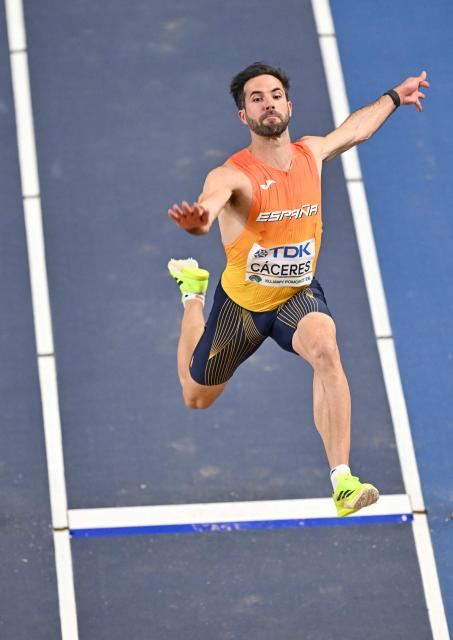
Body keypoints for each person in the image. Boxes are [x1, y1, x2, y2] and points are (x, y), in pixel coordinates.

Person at [167, 62, 429, 517]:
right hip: (241, 308)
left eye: (274, 95)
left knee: (326, 349)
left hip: (296, 297)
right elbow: (209, 206)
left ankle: (342, 480)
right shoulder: (233, 175)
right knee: (197, 396)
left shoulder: (311, 153)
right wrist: (199, 224)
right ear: (243, 116)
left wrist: (394, 97)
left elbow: (356, 130)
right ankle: (193, 292)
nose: (267, 102)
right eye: (255, 98)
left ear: (289, 105)